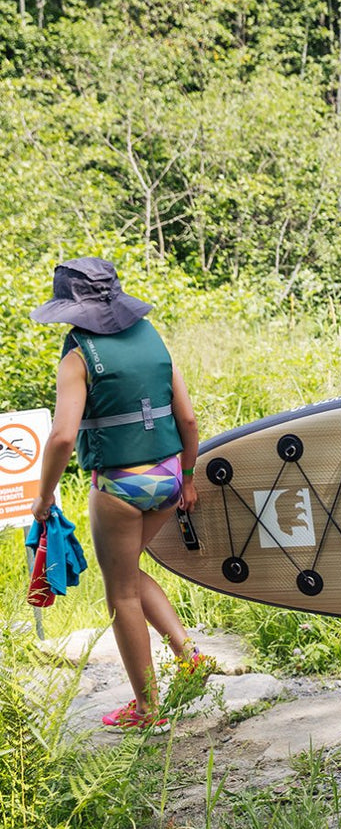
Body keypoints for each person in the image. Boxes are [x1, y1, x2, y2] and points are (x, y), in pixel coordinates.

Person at [30, 257, 211, 729]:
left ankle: (148, 709)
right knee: (128, 573)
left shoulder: (77, 356)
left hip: (119, 486)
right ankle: (188, 653)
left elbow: (63, 437)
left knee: (120, 594)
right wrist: (188, 478)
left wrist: (44, 495)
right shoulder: (151, 339)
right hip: (169, 478)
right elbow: (188, 420)